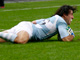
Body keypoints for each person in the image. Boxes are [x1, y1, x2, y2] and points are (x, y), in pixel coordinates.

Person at [0, 5, 77, 44]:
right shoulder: (61, 21)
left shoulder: (55, 18)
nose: (72, 17)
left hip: (26, 25)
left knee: (2, 40)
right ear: (64, 14)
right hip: (29, 29)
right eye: (71, 14)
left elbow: (34, 22)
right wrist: (71, 34)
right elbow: (65, 39)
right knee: (21, 40)